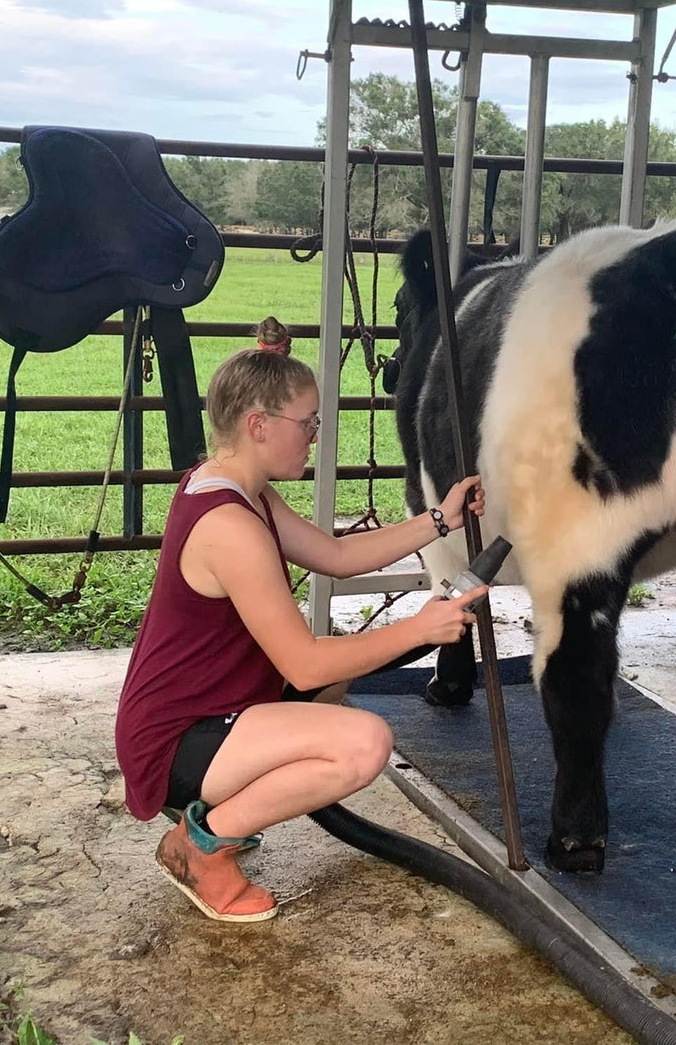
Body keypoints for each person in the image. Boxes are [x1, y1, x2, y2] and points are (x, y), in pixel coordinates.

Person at [115, 316, 486, 924]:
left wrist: (438, 520)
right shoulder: (230, 526)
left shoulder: (234, 486)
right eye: (308, 423)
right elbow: (303, 662)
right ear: (258, 425)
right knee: (363, 745)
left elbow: (336, 556)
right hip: (177, 737)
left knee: (333, 683)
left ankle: (228, 807)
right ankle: (201, 845)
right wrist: (418, 630)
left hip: (210, 704)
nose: (314, 436)